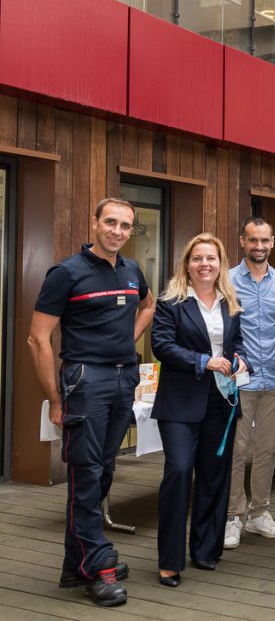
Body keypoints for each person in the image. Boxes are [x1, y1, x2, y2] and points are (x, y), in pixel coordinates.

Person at [28, 197, 155, 606]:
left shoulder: (132, 271)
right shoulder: (67, 273)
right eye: (110, 222)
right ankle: (97, 565)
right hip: (85, 380)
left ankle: (76, 564)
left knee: (102, 473)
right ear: (95, 222)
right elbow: (38, 338)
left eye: (125, 225)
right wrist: (55, 398)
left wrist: (126, 340)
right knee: (86, 476)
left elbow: (148, 305)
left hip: (124, 378)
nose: (117, 231)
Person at [151, 234, 248, 586]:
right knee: (178, 472)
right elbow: (161, 345)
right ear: (187, 264)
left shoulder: (230, 301)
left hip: (221, 402)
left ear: (220, 264)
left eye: (211, 258)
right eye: (198, 258)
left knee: (214, 477)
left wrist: (240, 360)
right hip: (179, 403)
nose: (204, 264)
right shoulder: (171, 302)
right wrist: (203, 361)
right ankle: (169, 560)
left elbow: (236, 343)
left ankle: (206, 549)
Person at [226, 217, 275, 547]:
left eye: (264, 240)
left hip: (274, 379)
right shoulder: (227, 281)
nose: (259, 246)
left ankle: (259, 513)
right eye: (253, 240)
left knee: (267, 450)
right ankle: (232, 516)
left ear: (272, 242)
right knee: (236, 451)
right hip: (240, 382)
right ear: (243, 241)